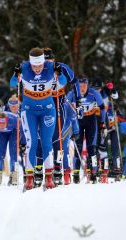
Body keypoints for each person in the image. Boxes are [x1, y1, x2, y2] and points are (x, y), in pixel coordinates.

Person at [10, 47, 67, 190]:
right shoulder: (24, 67)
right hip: (29, 111)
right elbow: (12, 83)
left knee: (47, 143)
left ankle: (49, 177)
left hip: (47, 110)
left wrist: (59, 73)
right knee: (32, 143)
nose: (37, 69)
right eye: (34, 66)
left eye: (39, 66)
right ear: (30, 63)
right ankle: (29, 178)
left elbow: (63, 81)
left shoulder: (50, 66)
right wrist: (15, 73)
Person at [42, 48, 79, 185]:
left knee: (58, 138)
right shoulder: (38, 69)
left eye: (49, 60)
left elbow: (74, 81)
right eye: (45, 60)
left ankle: (59, 169)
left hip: (59, 102)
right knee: (44, 138)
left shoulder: (62, 67)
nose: (47, 63)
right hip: (44, 102)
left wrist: (78, 99)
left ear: (53, 59)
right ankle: (43, 170)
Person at [67, 75, 106, 184]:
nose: (82, 88)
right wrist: (68, 121)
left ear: (87, 85)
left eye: (84, 85)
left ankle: (93, 173)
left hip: (91, 121)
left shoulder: (94, 93)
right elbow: (65, 106)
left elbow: (102, 109)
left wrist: (102, 123)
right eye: (80, 85)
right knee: (77, 149)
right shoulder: (73, 93)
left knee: (92, 149)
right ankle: (75, 174)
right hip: (78, 121)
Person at [0, 96, 23, 186]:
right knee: (0, 154)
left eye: (3, 125)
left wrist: (23, 144)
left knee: (13, 153)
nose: (2, 126)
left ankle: (14, 176)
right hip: (1, 134)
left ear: (7, 121)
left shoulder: (14, 120)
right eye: (0, 125)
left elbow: (22, 131)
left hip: (13, 132)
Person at [93, 80, 122, 182]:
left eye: (99, 88)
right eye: (95, 89)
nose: (97, 90)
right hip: (102, 125)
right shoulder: (92, 94)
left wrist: (112, 89)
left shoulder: (106, 92)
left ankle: (117, 170)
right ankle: (100, 170)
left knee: (115, 148)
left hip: (112, 125)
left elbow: (116, 96)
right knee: (101, 147)